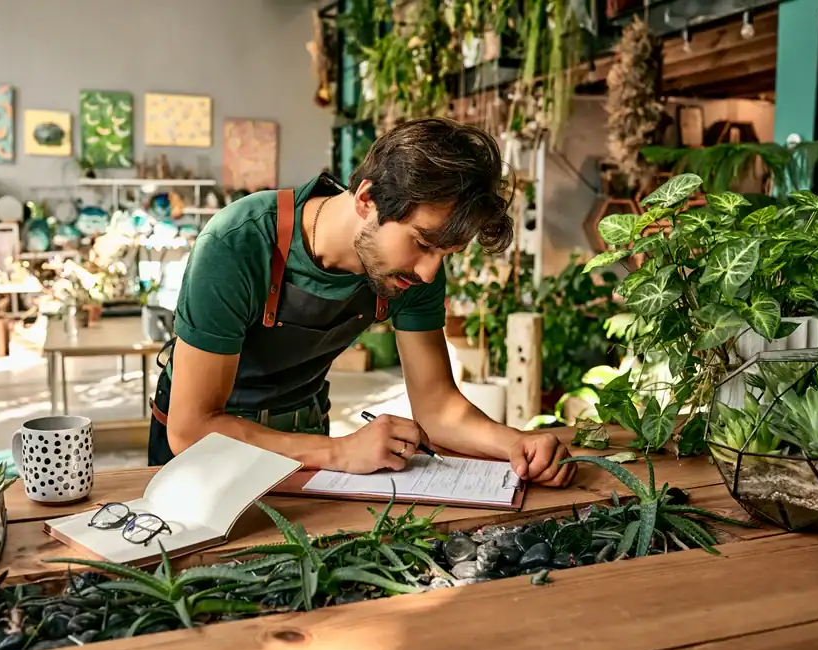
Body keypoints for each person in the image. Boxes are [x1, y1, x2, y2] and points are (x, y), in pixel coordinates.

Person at [148, 117, 575, 488]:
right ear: (367, 199)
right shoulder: (237, 242)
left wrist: (515, 442)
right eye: (423, 243)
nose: (429, 272)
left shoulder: (412, 268)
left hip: (306, 439)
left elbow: (438, 406)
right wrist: (339, 453)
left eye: (444, 254)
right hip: (207, 457)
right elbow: (193, 428)